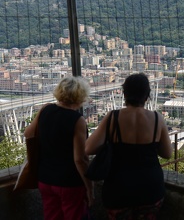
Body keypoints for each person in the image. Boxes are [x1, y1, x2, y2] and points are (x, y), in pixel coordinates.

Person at [86, 73, 172, 220]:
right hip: (150, 188)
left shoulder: (113, 117)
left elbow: (88, 148)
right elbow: (167, 153)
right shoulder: (157, 119)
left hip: (118, 188)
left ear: (124, 93)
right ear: (147, 95)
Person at [24, 76, 94, 220]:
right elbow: (80, 159)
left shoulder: (45, 109)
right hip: (69, 182)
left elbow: (28, 133)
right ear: (80, 97)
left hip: (45, 179)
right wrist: (89, 187)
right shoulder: (77, 120)